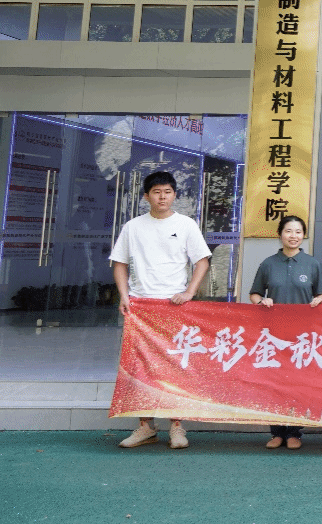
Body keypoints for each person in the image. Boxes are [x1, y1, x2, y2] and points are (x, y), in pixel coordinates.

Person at [111, 170, 211, 451]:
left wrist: (189, 292)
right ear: (146, 196)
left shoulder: (186, 224)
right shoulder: (133, 227)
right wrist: (124, 296)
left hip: (173, 306)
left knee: (174, 366)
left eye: (167, 192)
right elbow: (119, 263)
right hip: (141, 307)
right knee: (139, 367)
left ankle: (176, 426)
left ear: (174, 195)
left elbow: (202, 261)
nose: (162, 197)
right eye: (156, 192)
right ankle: (146, 427)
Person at [249, 215, 322, 450]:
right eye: (289, 231)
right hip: (273, 335)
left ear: (303, 235)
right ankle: (276, 432)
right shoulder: (268, 263)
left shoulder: (312, 264)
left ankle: (294, 432)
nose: (293, 236)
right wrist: (262, 301)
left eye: (298, 232)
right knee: (273, 383)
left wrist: (319, 301)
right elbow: (254, 293)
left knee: (297, 383)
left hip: (301, 336)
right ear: (280, 234)